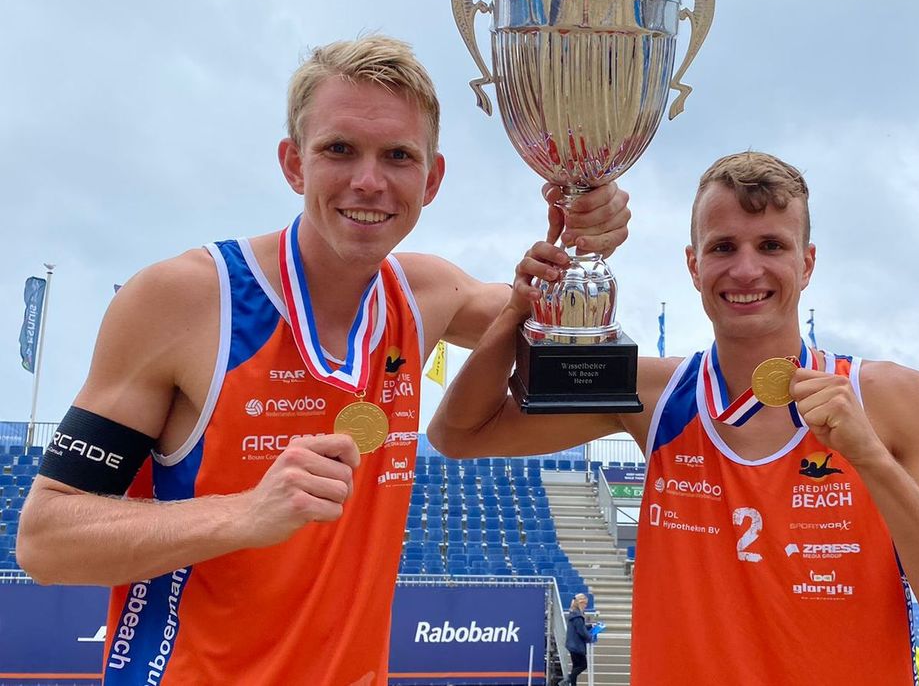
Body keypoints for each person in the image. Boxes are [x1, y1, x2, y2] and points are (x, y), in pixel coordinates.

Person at [15, 36, 630, 685]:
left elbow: (543, 321)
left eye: (398, 155)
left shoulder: (426, 295)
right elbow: (47, 540)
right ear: (293, 163)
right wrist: (244, 514)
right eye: (339, 149)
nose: (369, 180)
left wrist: (585, 226)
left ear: (432, 179)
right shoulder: (190, 301)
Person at [428, 151, 919, 684]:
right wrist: (516, 310)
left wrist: (872, 461)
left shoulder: (889, 399)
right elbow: (458, 433)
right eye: (724, 247)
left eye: (772, 246)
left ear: (807, 264)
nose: (746, 270)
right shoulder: (657, 393)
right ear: (693, 264)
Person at [563, 592, 600, 686]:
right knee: (583, 665)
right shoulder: (577, 616)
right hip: (577, 645)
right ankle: (566, 681)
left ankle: (571, 683)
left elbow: (581, 627)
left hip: (572, 645)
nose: (586, 606)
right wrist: (590, 638)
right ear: (581, 603)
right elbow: (581, 631)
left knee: (575, 667)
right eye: (585, 604)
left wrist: (590, 625)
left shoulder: (574, 614)